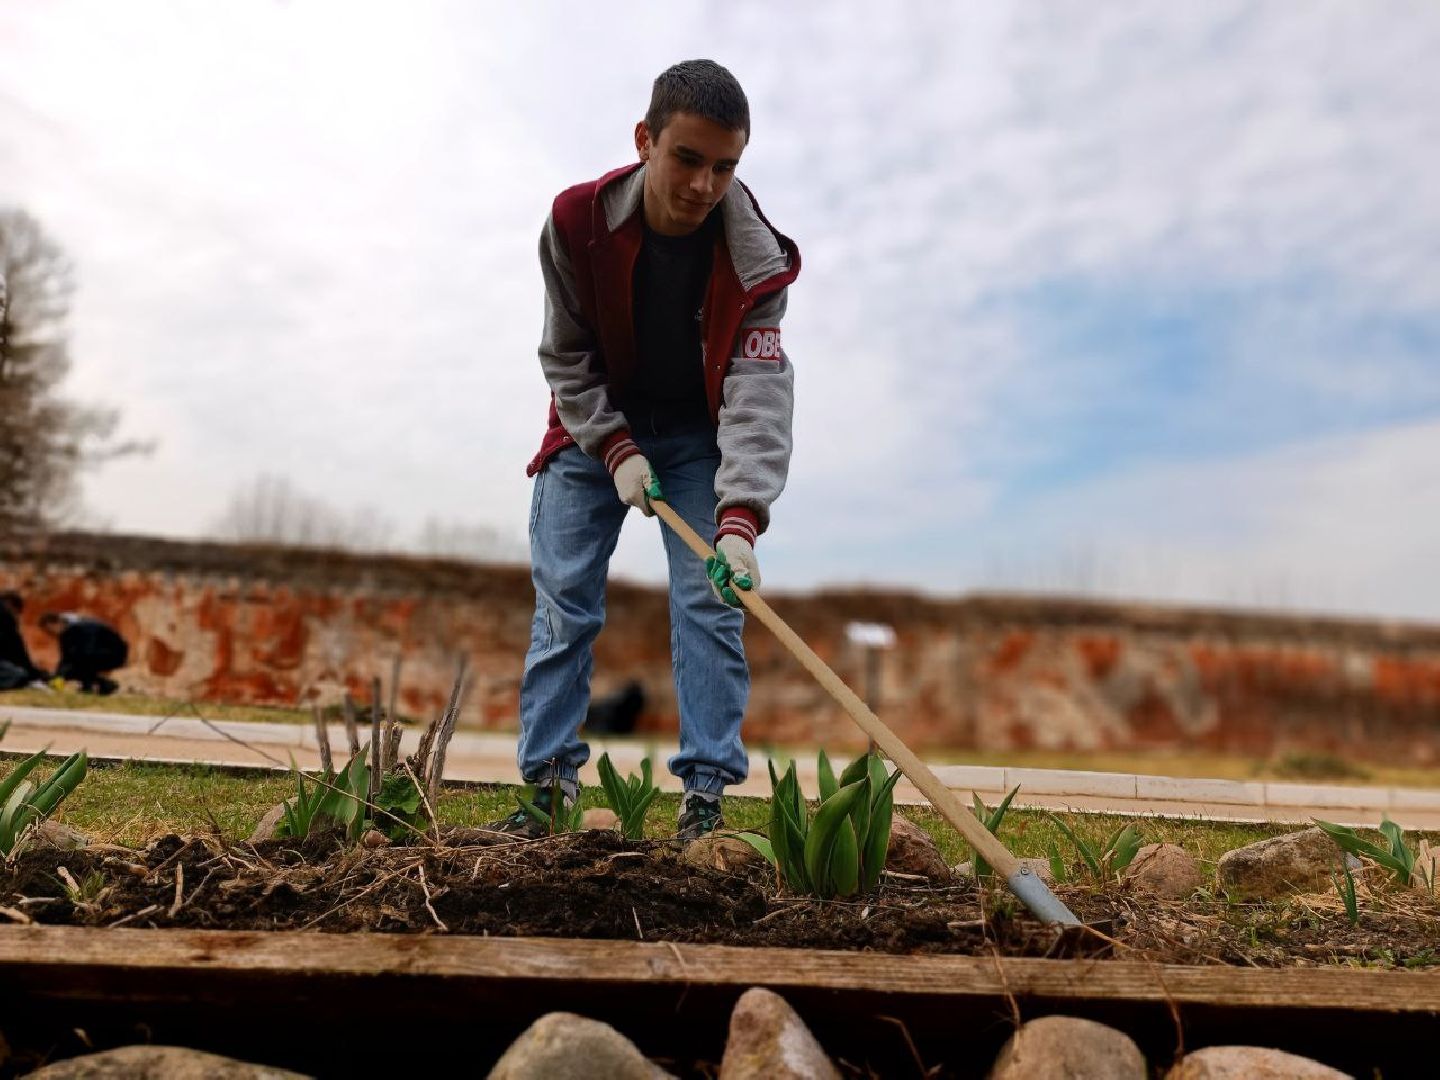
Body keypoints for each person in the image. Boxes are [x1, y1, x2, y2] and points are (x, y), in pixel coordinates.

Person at [490, 60, 800, 842]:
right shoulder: (575, 223)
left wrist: (739, 518)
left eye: (725, 166)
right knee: (565, 601)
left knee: (711, 599)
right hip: (592, 426)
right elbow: (565, 358)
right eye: (688, 159)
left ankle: (704, 802)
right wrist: (616, 447)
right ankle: (549, 791)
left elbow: (759, 392)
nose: (704, 185)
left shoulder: (756, 261)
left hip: (698, 438)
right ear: (645, 141)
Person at [38, 611, 128, 695]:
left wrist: (62, 675)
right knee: (74, 666)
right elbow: (66, 657)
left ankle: (97, 685)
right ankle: (104, 685)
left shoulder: (78, 628)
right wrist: (59, 675)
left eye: (49, 630)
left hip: (112, 654)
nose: (50, 635)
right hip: (102, 653)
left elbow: (83, 653)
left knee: (77, 664)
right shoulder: (70, 629)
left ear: (54, 624)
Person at [0, 591, 51, 690]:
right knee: (17, 674)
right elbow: (18, 653)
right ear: (12, 607)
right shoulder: (5, 615)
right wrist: (39, 675)